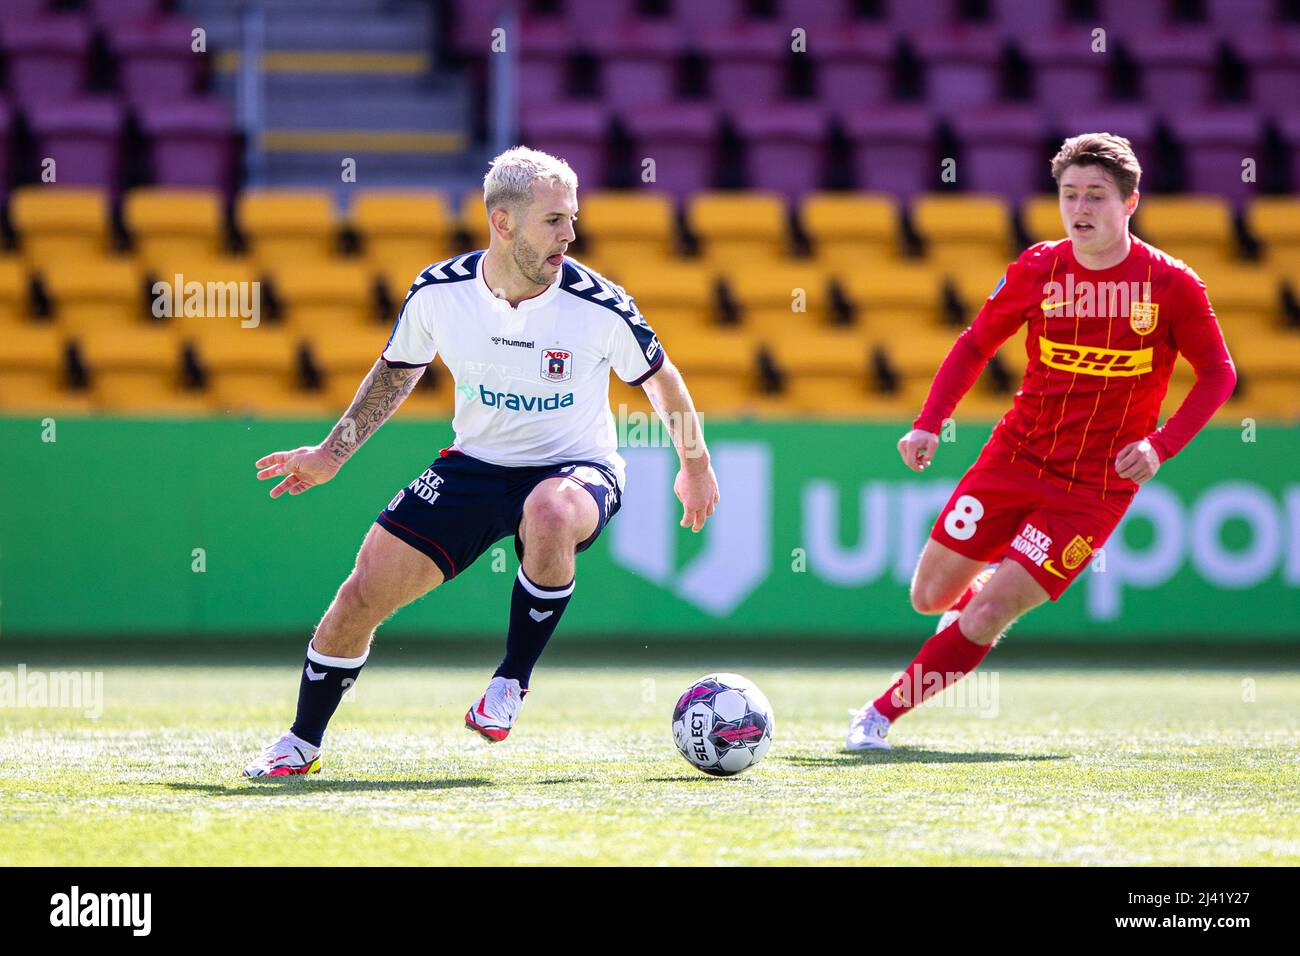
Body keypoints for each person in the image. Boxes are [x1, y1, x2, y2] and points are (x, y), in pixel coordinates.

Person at [243, 147, 719, 776]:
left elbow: (661, 381)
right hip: (475, 465)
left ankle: (511, 681)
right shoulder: (439, 292)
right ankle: (300, 742)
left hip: (577, 467)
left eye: (572, 218)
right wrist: (332, 455)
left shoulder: (597, 304)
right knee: (360, 595)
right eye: (553, 220)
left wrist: (696, 466)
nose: (570, 234)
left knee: (549, 511)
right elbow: (396, 372)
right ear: (503, 222)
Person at [846, 133, 1237, 750]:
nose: (1080, 208)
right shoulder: (1038, 268)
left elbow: (1219, 374)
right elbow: (975, 343)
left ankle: (878, 716)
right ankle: (977, 604)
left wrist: (1161, 446)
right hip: (1015, 456)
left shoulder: (1171, 285)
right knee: (929, 597)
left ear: (1130, 203)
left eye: (1097, 196)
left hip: (1095, 487)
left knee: (989, 611)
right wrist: (929, 420)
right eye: (1069, 194)